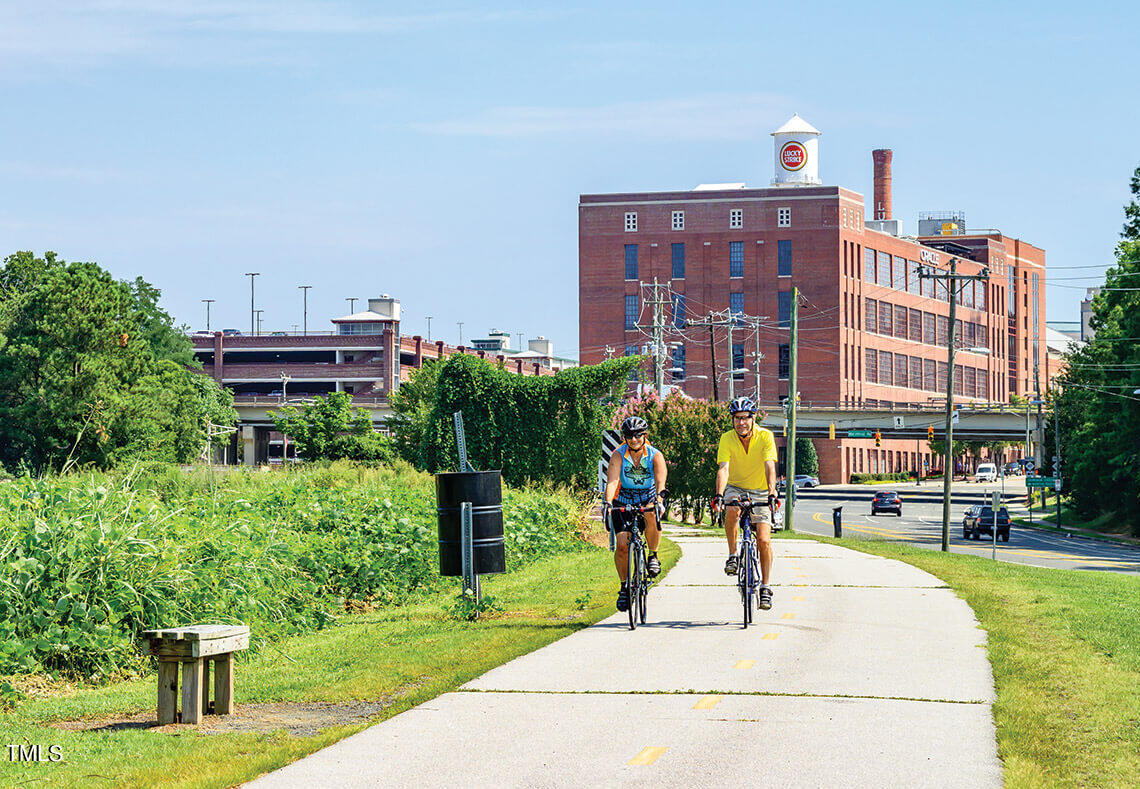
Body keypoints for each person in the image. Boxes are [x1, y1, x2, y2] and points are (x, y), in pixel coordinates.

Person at [710, 396, 778, 610]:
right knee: (731, 510)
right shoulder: (726, 438)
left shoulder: (766, 436)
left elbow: (769, 466)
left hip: (760, 491)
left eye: (745, 418)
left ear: (753, 418)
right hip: (736, 487)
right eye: (737, 418)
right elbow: (724, 468)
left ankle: (766, 587)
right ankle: (732, 556)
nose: (741, 423)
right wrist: (720, 494)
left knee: (764, 541)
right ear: (733, 420)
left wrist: (771, 493)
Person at [602, 415, 667, 612]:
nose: (633, 439)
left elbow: (660, 481)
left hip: (647, 498)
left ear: (645, 436)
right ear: (625, 437)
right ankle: (624, 587)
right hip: (623, 499)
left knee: (650, 515)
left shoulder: (655, 455)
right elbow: (612, 480)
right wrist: (607, 502)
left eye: (638, 435)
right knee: (622, 546)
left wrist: (659, 499)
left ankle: (653, 556)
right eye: (629, 436)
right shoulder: (618, 454)